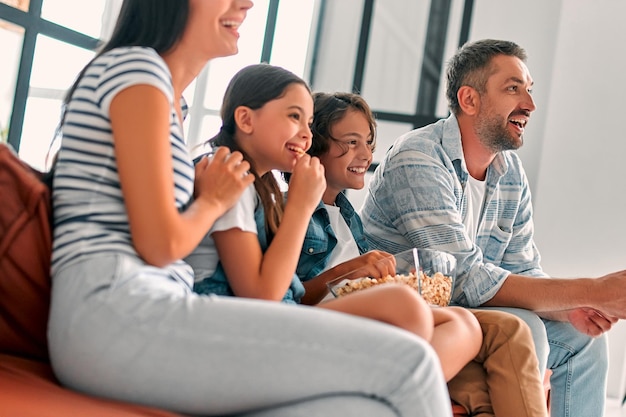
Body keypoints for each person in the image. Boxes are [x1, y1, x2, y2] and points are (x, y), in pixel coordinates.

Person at [47, 1, 454, 416]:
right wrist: (213, 200)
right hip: (115, 311)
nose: (246, 3)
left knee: (364, 407)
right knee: (411, 366)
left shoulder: (169, 99)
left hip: (139, 306)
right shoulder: (138, 73)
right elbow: (160, 243)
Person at [359, 38, 626, 417]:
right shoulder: (417, 158)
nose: (530, 105)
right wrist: (595, 290)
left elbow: (522, 269)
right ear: (469, 100)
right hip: (423, 313)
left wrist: (569, 308)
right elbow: (465, 282)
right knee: (524, 329)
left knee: (583, 340)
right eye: (513, 88)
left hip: (472, 309)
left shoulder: (509, 171)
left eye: (529, 90)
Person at [186, 63, 481, 379]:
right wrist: (302, 205)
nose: (306, 134)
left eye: (309, 122)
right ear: (246, 119)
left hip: (274, 314)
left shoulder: (259, 188)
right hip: (246, 326)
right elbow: (263, 297)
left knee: (465, 325)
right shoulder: (228, 176)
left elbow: (280, 289)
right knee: (405, 305)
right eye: (294, 116)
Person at [296, 91, 549, 417]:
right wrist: (356, 270)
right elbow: (292, 296)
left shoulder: (349, 217)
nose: (366, 154)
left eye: (368, 142)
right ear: (315, 144)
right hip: (352, 326)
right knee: (497, 329)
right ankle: (381, 396)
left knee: (492, 370)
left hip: (383, 316)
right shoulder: (294, 210)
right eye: (351, 142)